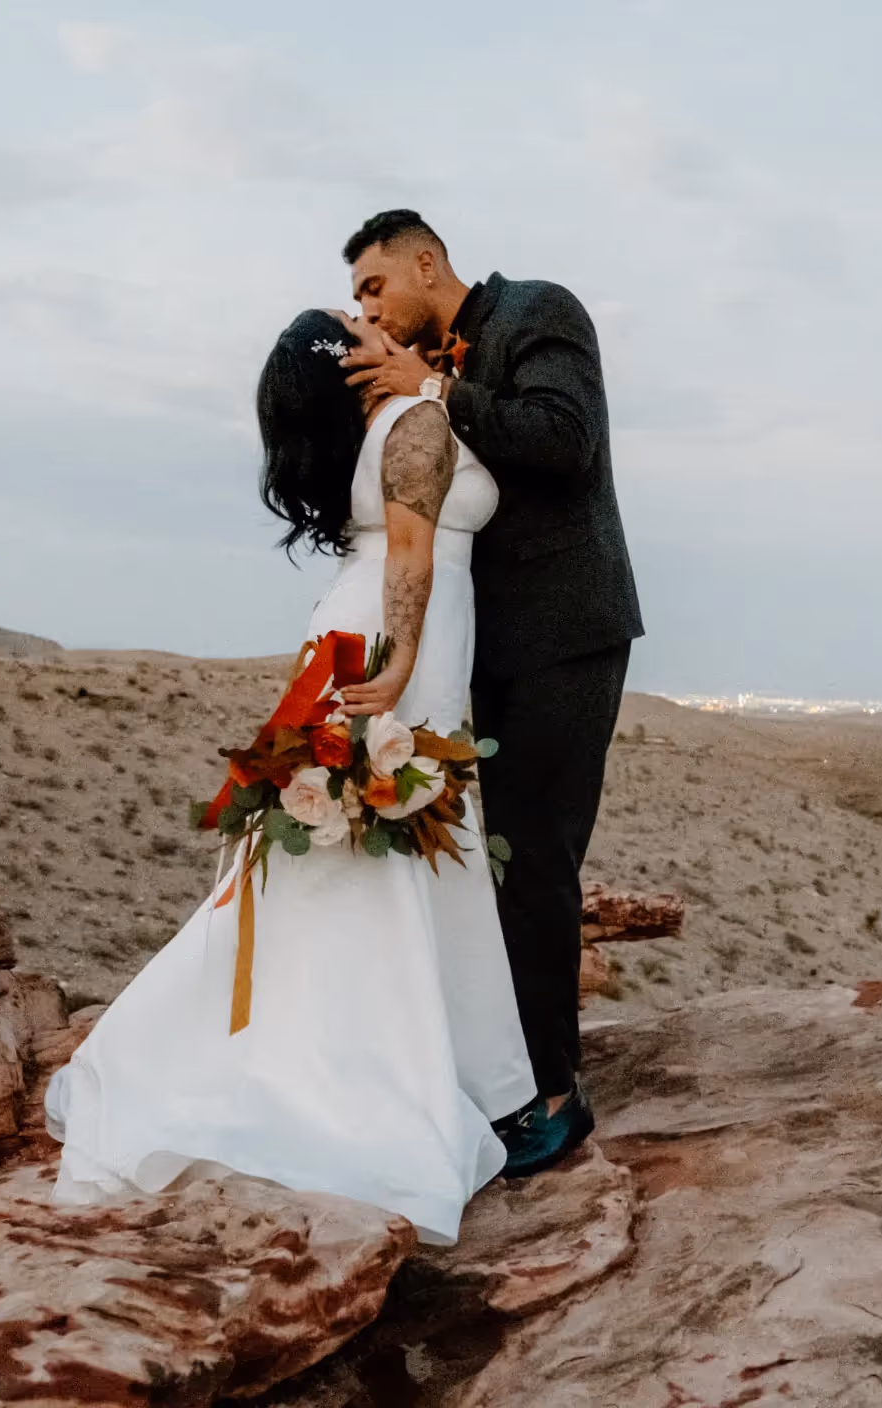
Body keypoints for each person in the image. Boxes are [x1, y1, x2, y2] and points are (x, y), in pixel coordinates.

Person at [43, 308, 536, 1244]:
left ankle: (420, 1061)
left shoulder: (396, 414)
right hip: (392, 640)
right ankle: (365, 1069)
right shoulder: (413, 423)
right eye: (357, 318)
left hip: (371, 628)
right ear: (350, 369)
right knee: (379, 840)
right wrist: (396, 667)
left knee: (386, 840)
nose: (371, 317)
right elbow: (415, 551)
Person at [337, 210, 642, 1176]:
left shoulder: (539, 312)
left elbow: (562, 442)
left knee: (536, 858)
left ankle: (555, 1096)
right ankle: (498, 1074)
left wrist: (433, 388)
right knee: (486, 858)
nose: (368, 309)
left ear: (428, 263)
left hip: (564, 635)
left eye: (376, 287)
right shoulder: (432, 373)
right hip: (481, 653)